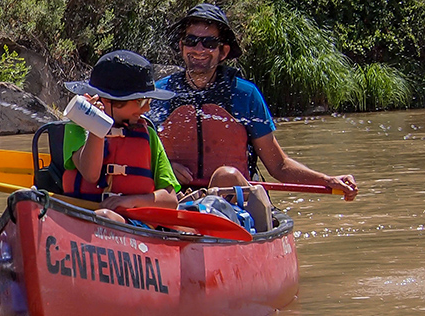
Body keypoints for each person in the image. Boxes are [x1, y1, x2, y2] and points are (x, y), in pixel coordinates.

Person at [149, 3, 359, 201]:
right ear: (181, 46)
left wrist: (326, 180)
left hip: (235, 202)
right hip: (178, 199)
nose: (199, 49)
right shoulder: (159, 93)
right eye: (191, 41)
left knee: (226, 176)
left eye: (210, 43)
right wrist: (163, 167)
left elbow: (279, 166)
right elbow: (136, 153)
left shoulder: (245, 95)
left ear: (223, 52)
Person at [60, 50, 181, 223]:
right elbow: (90, 174)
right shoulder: (77, 128)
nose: (146, 109)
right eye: (141, 102)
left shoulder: (149, 136)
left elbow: (170, 200)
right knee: (104, 216)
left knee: (106, 217)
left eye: (149, 102)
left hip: (133, 223)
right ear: (107, 101)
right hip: (83, 217)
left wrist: (129, 201)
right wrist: (97, 125)